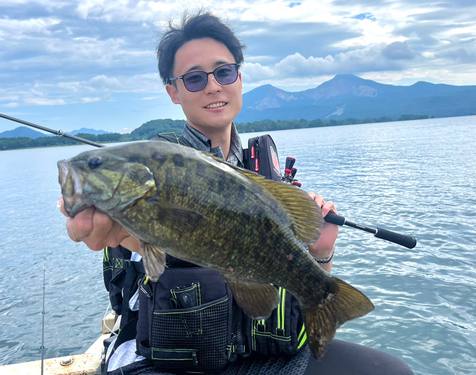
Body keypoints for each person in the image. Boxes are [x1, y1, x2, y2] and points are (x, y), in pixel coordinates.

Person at [61, 11, 413, 375]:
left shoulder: (264, 174)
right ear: (173, 92)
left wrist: (321, 253)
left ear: (239, 79)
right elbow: (133, 246)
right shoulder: (156, 166)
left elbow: (279, 283)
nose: (213, 86)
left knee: (390, 371)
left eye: (223, 72)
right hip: (172, 361)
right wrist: (128, 237)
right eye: (195, 78)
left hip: (256, 354)